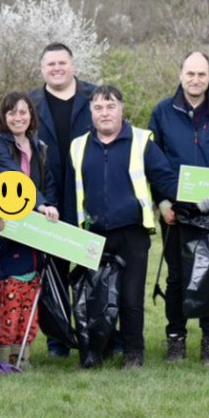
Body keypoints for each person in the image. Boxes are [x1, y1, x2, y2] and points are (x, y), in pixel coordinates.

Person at [69, 85, 179, 368]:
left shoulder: (142, 141)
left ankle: (133, 352)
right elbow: (71, 189)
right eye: (98, 108)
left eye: (110, 106)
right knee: (96, 297)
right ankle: (100, 350)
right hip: (93, 233)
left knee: (130, 297)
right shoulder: (78, 145)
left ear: (121, 109)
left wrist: (192, 195)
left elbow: (166, 180)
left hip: (132, 232)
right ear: (91, 113)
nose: (105, 113)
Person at [149, 51, 209, 367]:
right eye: (190, 73)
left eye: (202, 74)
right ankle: (176, 339)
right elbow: (153, 163)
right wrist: (163, 203)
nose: (195, 80)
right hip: (175, 212)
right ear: (180, 74)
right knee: (177, 277)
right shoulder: (162, 112)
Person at [29, 42, 96, 358]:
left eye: (62, 63)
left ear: (73, 65)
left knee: (90, 269)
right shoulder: (29, 103)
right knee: (52, 271)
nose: (56, 68)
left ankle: (93, 335)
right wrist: (38, 199)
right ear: (42, 68)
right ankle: (57, 341)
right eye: (50, 64)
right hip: (48, 199)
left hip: (88, 197)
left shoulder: (94, 97)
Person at [0, 92, 58, 367]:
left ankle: (23, 354)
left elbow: (47, 180)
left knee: (30, 288)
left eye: (23, 112)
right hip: (8, 226)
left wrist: (49, 204)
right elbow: (12, 177)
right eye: (12, 113)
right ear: (3, 117)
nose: (18, 117)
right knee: (10, 289)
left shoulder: (39, 146)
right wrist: (40, 205)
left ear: (31, 115)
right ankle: (3, 353)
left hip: (35, 225)